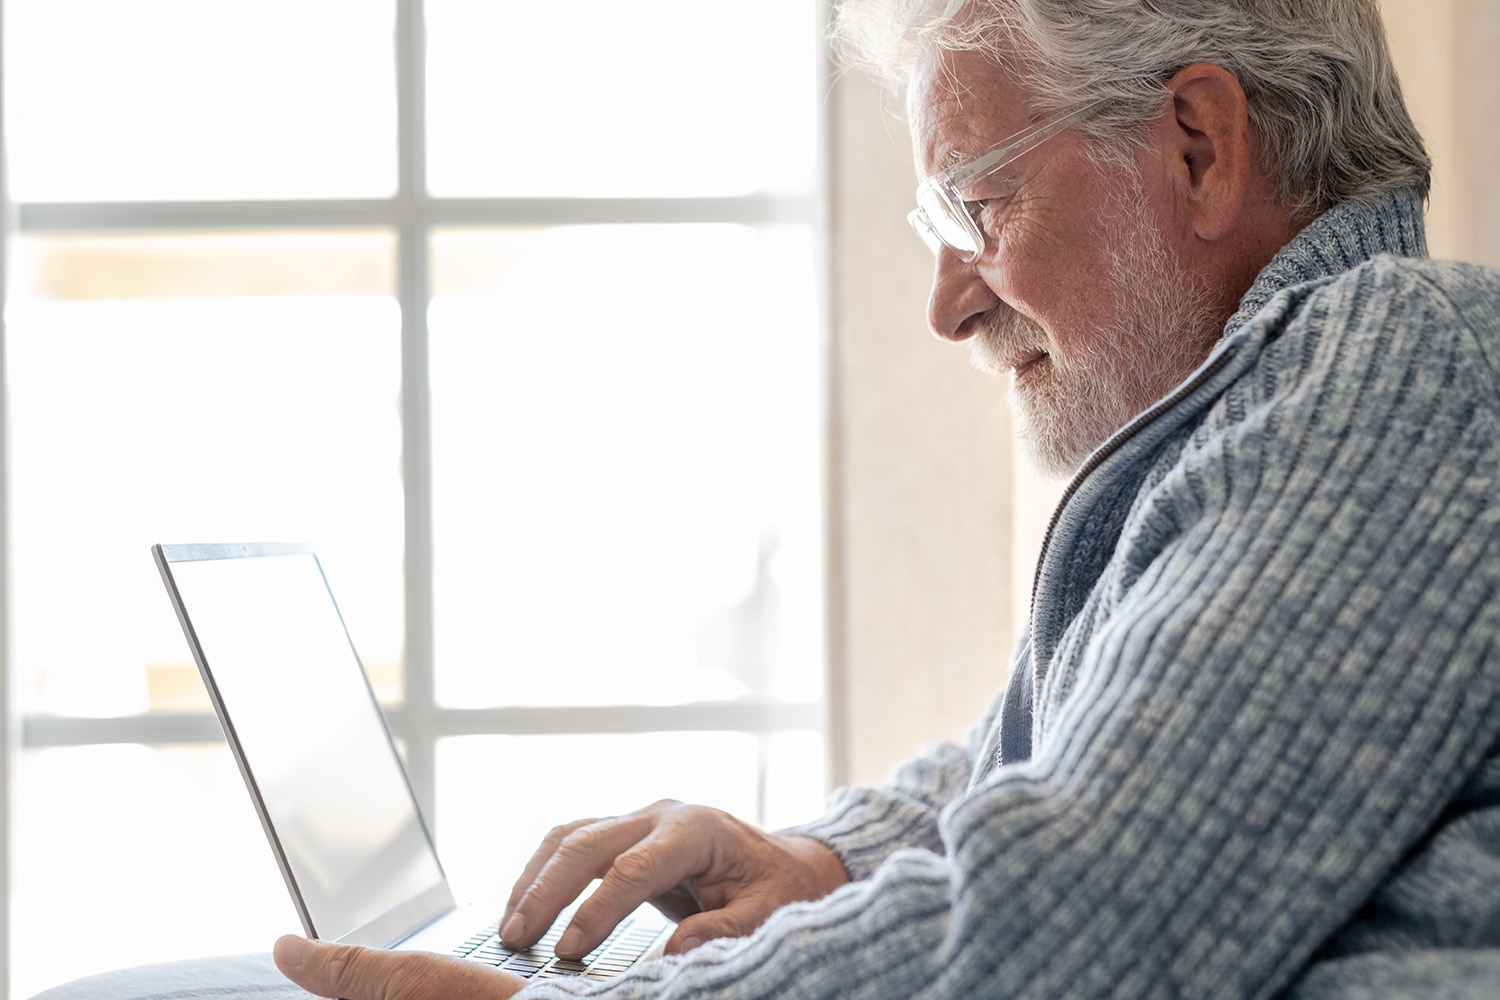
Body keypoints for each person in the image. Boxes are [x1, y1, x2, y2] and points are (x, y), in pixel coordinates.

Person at [274, 1, 1500, 997]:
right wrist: (818, 863)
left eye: (976, 204)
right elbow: (1048, 766)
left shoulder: (1401, 357)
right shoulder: (1284, 412)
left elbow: (1087, 912)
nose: (947, 304)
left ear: (1197, 145)